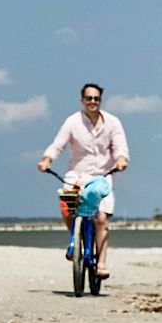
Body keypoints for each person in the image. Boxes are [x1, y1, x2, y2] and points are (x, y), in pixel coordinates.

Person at [37, 83, 130, 279]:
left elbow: (120, 146)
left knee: (101, 219)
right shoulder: (72, 122)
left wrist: (121, 159)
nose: (92, 102)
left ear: (100, 101)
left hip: (102, 177)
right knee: (66, 205)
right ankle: (75, 239)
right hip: (76, 175)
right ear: (82, 100)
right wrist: (47, 160)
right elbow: (58, 144)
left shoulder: (113, 122)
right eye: (89, 98)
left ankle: (102, 263)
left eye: (96, 98)